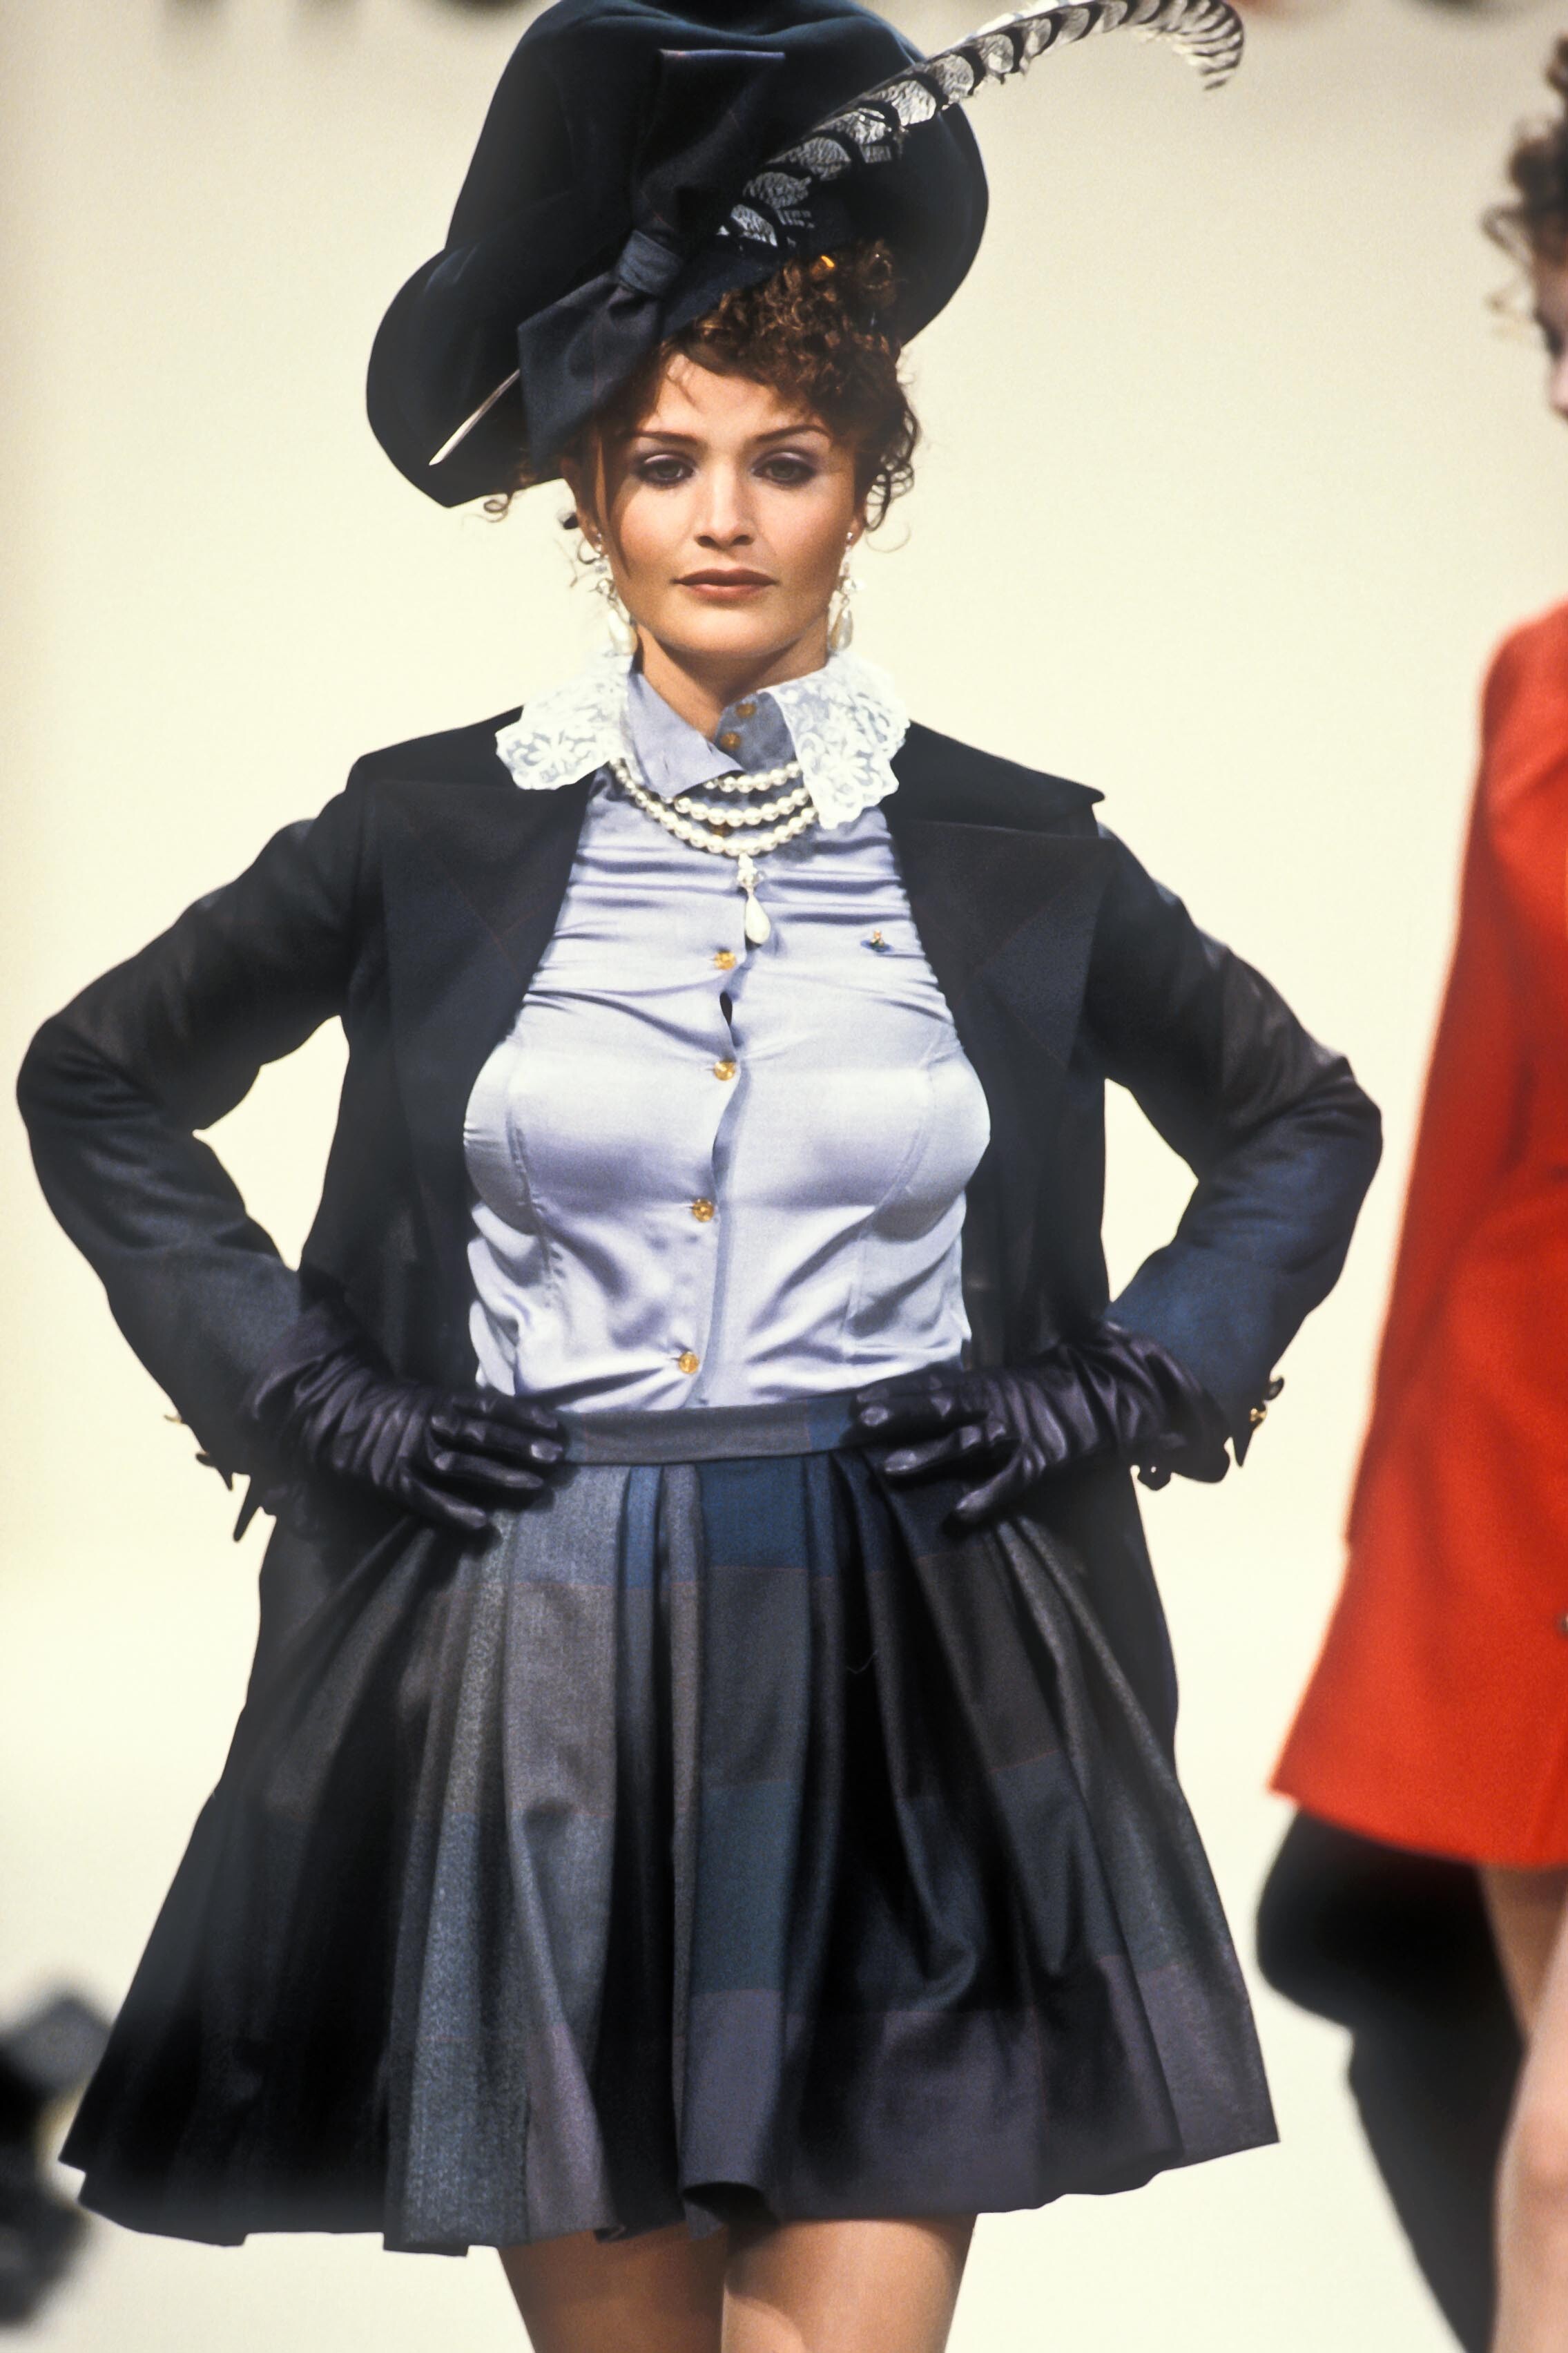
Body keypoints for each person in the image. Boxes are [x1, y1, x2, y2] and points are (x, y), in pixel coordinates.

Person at [17, 2, 1380, 2347]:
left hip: (915, 1642)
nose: (725, 518)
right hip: (536, 1645)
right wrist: (310, 1394)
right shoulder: (426, 831)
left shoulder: (1014, 855)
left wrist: (1127, 1382)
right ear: (589, 496)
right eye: (667, 462)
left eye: (786, 460)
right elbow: (98, 1079)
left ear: (868, 486)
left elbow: (1302, 1118)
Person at [1266, 40, 1568, 2353]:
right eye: (1559, 335)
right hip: (1527, 1479)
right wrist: (1399, 1546)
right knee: (1529, 2143)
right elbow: (1480, 1117)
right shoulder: (1541, 686)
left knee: (1560, 2160)